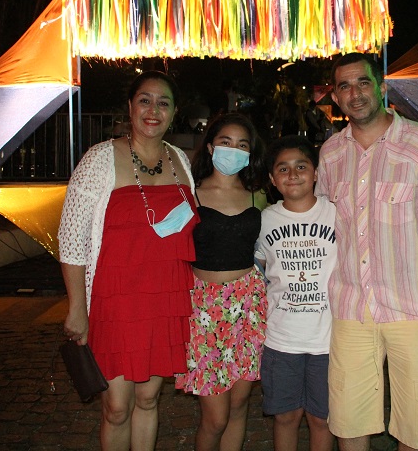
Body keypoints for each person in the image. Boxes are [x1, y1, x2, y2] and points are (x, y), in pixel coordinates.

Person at [315, 53, 418, 451]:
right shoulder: (330, 153)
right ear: (335, 96)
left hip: (416, 309)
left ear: (381, 87)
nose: (355, 93)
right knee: (348, 421)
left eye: (363, 82)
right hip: (351, 308)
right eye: (345, 86)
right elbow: (323, 223)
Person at [58, 71, 197, 451]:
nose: (154, 110)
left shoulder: (180, 160)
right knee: (117, 408)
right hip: (115, 302)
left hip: (164, 300)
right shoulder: (100, 159)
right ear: (130, 106)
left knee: (149, 400)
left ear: (174, 112)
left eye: (163, 103)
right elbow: (71, 240)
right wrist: (77, 308)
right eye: (145, 100)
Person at [176, 113, 268, 451]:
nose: (234, 150)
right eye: (226, 142)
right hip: (203, 310)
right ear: (211, 147)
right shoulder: (190, 195)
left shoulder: (259, 197)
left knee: (239, 405)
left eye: (242, 145)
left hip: (249, 306)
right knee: (215, 418)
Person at [255, 135, 337, 451]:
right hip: (281, 339)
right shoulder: (265, 220)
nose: (293, 175)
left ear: (316, 173)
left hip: (327, 340)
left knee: (322, 419)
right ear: (273, 179)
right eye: (283, 169)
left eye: (301, 166)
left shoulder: (336, 213)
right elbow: (259, 267)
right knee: (286, 417)